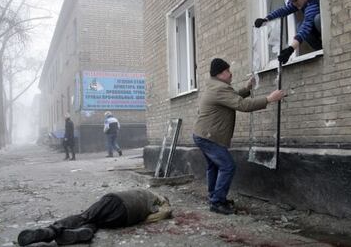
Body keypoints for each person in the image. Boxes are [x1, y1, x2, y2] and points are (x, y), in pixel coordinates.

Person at [193, 58, 285, 215]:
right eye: (228, 71)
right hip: (209, 136)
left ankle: (214, 197)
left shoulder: (215, 86)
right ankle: (217, 202)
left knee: (214, 166)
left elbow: (232, 97)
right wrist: (269, 99)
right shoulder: (220, 88)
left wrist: (246, 88)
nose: (231, 74)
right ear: (221, 73)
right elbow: (242, 105)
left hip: (203, 134)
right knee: (228, 166)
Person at [17, 188, 172, 246]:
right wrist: (142, 218)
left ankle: (50, 231)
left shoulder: (148, 194)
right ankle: (84, 234)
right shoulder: (155, 204)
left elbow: (166, 211)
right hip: (124, 218)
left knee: (85, 216)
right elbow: (164, 213)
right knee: (96, 222)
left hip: (116, 201)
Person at [254, 0, 321, 64]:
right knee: (299, 26)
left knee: (317, 19)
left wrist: (290, 49)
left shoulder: (312, 1)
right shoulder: (301, 0)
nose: (297, 5)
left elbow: (306, 26)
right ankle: (319, 48)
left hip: (322, 23)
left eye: (296, 2)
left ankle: (323, 48)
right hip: (313, 24)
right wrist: (266, 19)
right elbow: (283, 10)